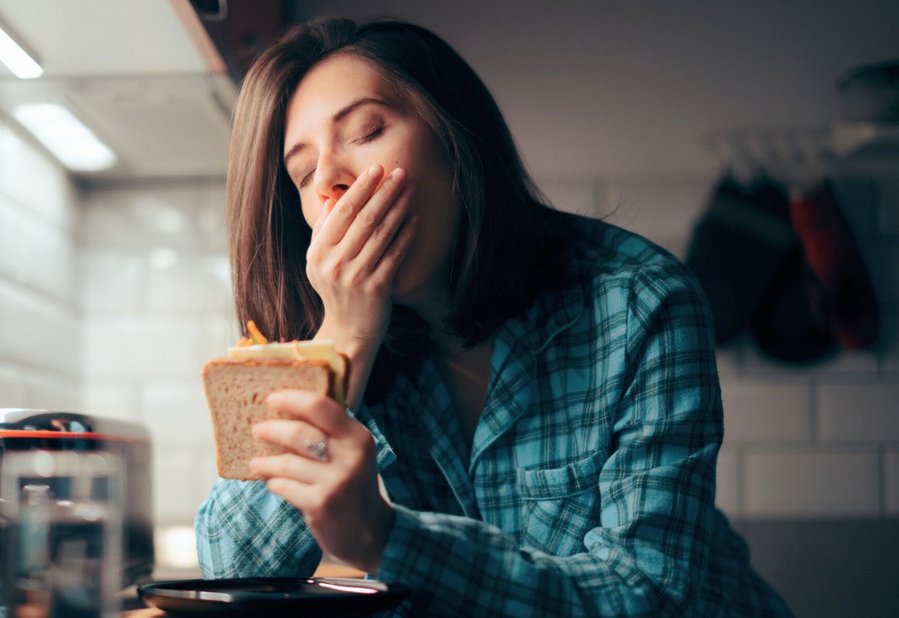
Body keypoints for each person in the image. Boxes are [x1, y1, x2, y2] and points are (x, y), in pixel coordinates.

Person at [195, 17, 793, 617]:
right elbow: (234, 571)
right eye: (302, 174)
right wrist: (342, 342)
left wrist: (386, 538)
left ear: (455, 141)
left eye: (367, 130)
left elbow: (648, 596)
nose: (328, 179)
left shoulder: (641, 300)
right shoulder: (349, 338)